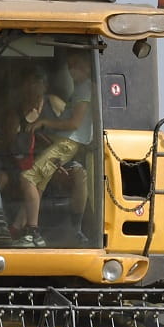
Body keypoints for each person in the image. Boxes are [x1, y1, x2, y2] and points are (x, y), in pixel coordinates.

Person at [14, 49, 97, 245]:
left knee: (28, 178)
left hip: (67, 145)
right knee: (39, 184)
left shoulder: (85, 89)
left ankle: (33, 233)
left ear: (86, 66)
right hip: (63, 143)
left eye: (76, 65)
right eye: (69, 66)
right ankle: (19, 229)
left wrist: (44, 123)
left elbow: (74, 124)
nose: (72, 70)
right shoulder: (81, 89)